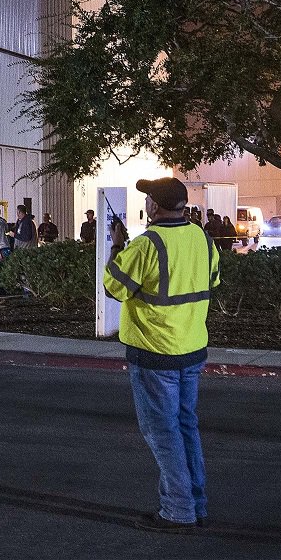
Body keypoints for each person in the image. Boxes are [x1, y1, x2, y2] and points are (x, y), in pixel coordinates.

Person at [104, 176, 220, 533]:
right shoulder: (202, 238)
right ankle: (195, 504)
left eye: (149, 198)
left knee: (162, 432)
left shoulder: (145, 244)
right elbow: (211, 281)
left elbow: (114, 287)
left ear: (154, 205)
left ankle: (178, 510)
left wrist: (117, 247)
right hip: (191, 348)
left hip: (155, 352)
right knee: (185, 427)